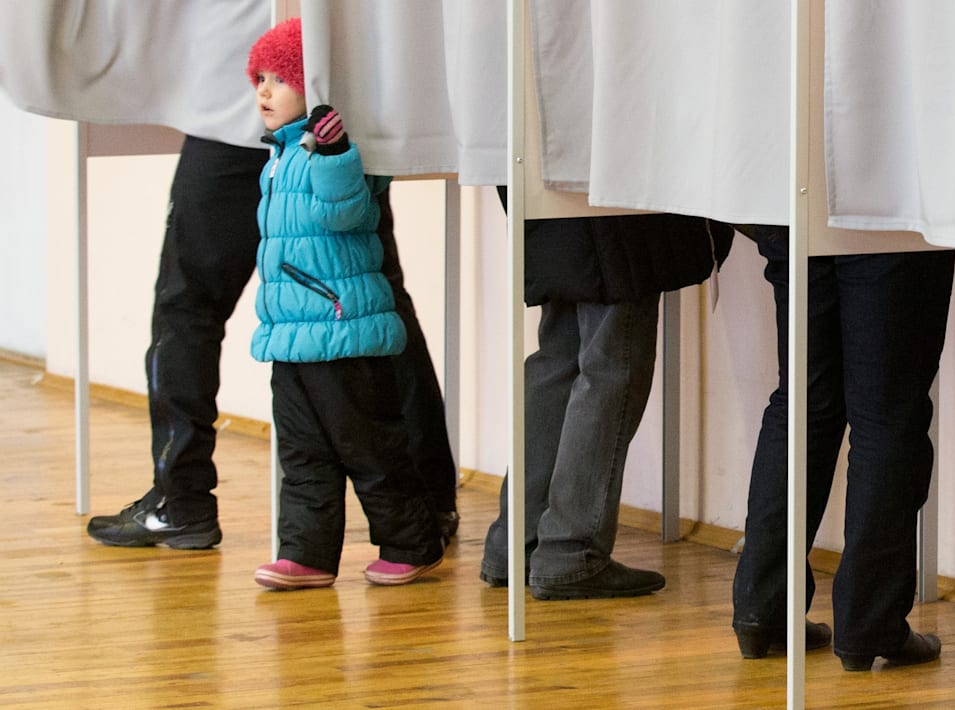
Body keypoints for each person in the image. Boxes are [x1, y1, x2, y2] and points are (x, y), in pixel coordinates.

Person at [84, 29, 459, 551]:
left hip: (258, 123)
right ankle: (424, 504)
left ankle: (183, 500)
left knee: (195, 306)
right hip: (325, 110)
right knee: (370, 302)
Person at [235, 18, 444, 589]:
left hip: (341, 330)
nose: (265, 91)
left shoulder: (337, 152)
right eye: (260, 78)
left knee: (369, 446)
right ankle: (306, 552)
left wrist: (334, 154)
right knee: (302, 452)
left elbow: (347, 213)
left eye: (281, 79)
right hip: (291, 334)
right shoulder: (279, 157)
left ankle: (412, 542)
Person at [479, 198, 734, 600]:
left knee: (558, 358)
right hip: (615, 217)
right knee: (611, 367)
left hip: (552, 210)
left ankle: (515, 544)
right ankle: (570, 551)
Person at [730, 225, 954, 671]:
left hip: (794, 206)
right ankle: (871, 625)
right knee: (886, 415)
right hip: (886, 215)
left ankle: (764, 611)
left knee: (803, 403)